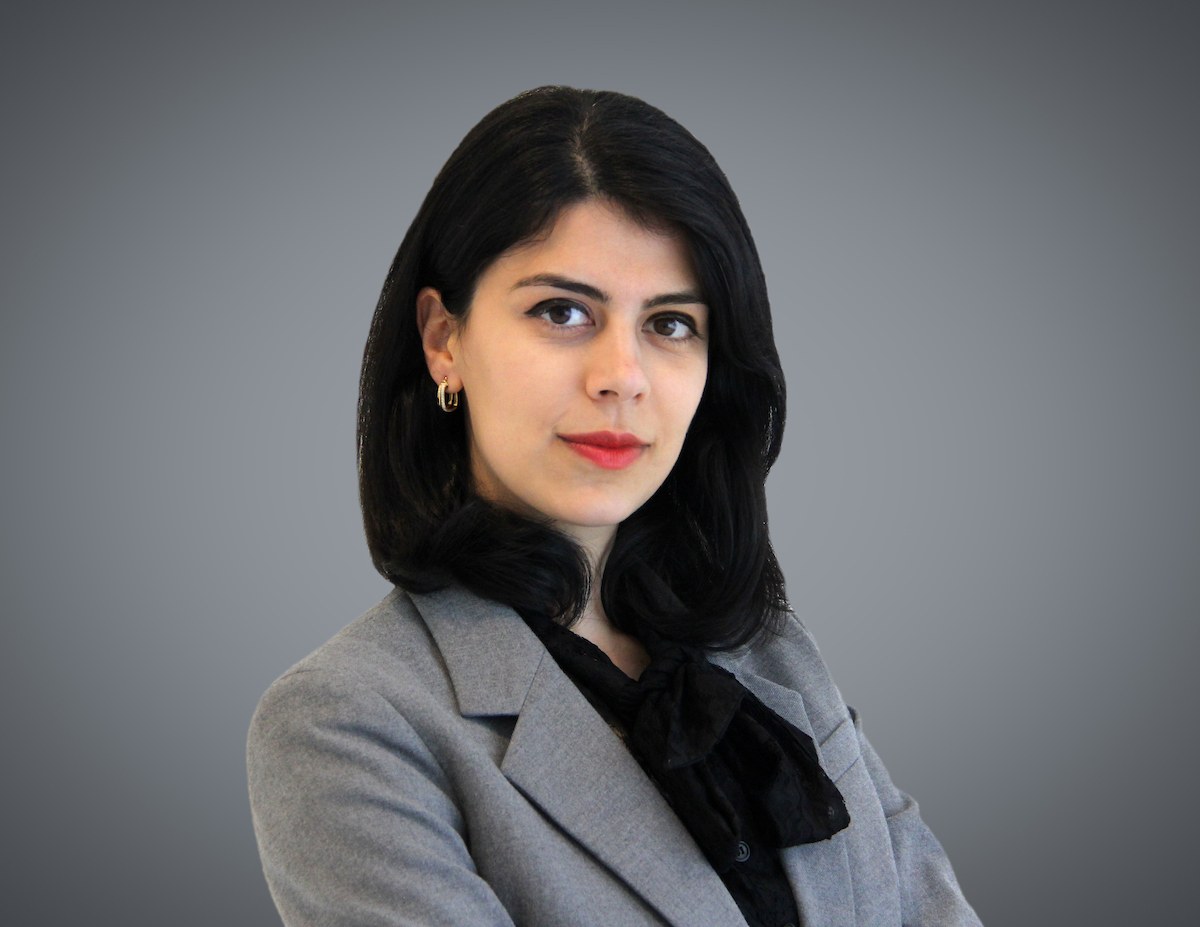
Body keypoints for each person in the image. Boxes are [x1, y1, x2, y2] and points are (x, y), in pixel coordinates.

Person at [247, 86, 982, 927]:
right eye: (562, 312)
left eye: (669, 324)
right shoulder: (348, 721)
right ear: (443, 339)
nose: (622, 376)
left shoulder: (772, 654)